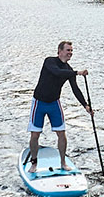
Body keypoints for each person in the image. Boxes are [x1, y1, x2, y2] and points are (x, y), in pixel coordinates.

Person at [27, 40, 93, 174]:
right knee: (35, 134)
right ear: (60, 51)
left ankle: (63, 163)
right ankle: (34, 162)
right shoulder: (49, 61)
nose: (70, 53)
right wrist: (77, 73)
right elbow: (57, 72)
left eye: (71, 51)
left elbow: (75, 89)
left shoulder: (68, 70)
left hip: (54, 103)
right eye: (68, 50)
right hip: (39, 103)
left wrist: (85, 105)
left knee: (62, 134)